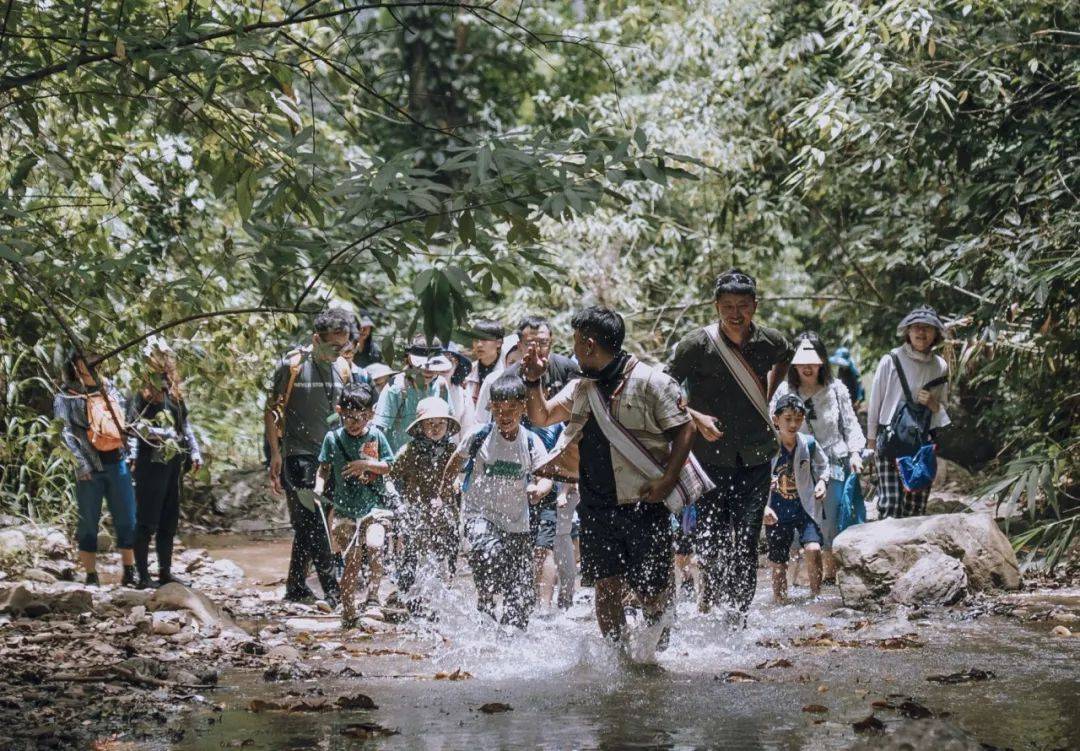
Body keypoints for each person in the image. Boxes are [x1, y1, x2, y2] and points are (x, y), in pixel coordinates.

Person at [523, 306, 697, 644]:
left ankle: (655, 651)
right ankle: (620, 661)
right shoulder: (580, 389)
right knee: (606, 587)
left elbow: (685, 429)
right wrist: (532, 380)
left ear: (589, 345)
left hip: (645, 502)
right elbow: (541, 416)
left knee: (652, 592)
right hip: (597, 505)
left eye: (575, 342)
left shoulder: (651, 381)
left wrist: (667, 482)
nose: (571, 350)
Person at [668, 269, 793, 621]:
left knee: (749, 537)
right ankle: (716, 601)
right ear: (716, 306)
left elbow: (786, 355)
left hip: (755, 455)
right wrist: (695, 417)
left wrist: (766, 394)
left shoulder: (770, 341)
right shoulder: (697, 344)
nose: (735, 314)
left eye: (743, 306)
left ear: (755, 305)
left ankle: (739, 613)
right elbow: (665, 387)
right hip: (710, 458)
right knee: (713, 536)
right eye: (727, 306)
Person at [266, 307, 364, 605]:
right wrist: (274, 454)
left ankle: (295, 587)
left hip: (330, 456)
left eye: (344, 345)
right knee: (316, 520)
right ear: (315, 338)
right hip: (298, 454)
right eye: (333, 345)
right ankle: (332, 590)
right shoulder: (292, 365)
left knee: (308, 523)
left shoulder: (344, 369)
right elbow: (271, 411)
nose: (339, 351)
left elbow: (350, 412)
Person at [442, 374, 550, 629]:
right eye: (499, 410)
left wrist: (538, 489)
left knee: (521, 598)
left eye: (511, 409)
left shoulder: (532, 442)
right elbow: (455, 461)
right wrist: (444, 490)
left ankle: (509, 640)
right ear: (491, 408)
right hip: (480, 514)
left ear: (523, 407)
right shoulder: (479, 435)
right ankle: (487, 602)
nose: (505, 416)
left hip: (517, 524)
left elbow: (546, 478)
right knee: (489, 553)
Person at [771, 333, 866, 582]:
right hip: (795, 464)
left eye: (813, 360)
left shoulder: (836, 390)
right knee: (792, 521)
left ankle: (830, 581)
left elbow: (851, 424)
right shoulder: (785, 390)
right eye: (802, 360)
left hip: (834, 462)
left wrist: (856, 453)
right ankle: (795, 579)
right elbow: (771, 427)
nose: (807, 366)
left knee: (831, 521)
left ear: (822, 360)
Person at [314, 382, 395, 628]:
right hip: (344, 510)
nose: (355, 422)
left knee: (375, 545)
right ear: (340, 412)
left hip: (375, 507)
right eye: (349, 417)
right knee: (352, 559)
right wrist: (318, 487)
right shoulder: (332, 438)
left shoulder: (376, 436)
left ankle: (373, 597)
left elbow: (389, 465)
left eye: (361, 416)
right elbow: (324, 468)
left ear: (370, 414)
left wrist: (365, 465)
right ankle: (348, 609)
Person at [54, 351, 138, 587]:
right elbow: (65, 433)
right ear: (75, 365)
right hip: (90, 467)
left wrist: (132, 453)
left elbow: (126, 422)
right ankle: (91, 576)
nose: (93, 363)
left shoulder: (110, 389)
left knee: (127, 520)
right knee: (88, 522)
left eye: (95, 359)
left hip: (118, 462)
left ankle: (129, 571)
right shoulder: (67, 396)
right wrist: (81, 464)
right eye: (86, 360)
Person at [127, 340, 203, 589]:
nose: (163, 361)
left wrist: (194, 451)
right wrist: (163, 435)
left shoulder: (174, 393)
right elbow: (133, 427)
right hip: (151, 462)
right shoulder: (140, 394)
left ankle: (165, 573)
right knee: (147, 519)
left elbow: (185, 425)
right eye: (158, 356)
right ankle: (142, 575)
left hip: (173, 463)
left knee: (169, 520)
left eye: (166, 357)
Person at [866, 305, 951, 518]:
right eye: (916, 327)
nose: (921, 333)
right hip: (890, 440)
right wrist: (870, 441)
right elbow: (875, 402)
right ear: (908, 331)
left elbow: (943, 410)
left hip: (922, 442)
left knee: (916, 509)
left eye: (927, 328)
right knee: (891, 505)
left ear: (936, 334)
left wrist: (932, 403)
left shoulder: (940, 366)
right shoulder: (891, 360)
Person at [390, 396, 461, 596]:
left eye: (441, 423)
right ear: (420, 426)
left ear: (448, 426)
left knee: (444, 558)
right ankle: (406, 597)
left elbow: (460, 475)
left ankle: (441, 597)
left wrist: (456, 483)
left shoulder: (452, 451)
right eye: (430, 424)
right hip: (416, 515)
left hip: (445, 515)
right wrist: (397, 505)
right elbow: (390, 479)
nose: (436, 428)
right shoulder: (408, 452)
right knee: (411, 557)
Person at [763, 394, 829, 602]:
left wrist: (822, 482)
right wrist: (763, 507)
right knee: (779, 563)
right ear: (776, 419)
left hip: (804, 507)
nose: (793, 424)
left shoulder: (808, 444)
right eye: (788, 418)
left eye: (798, 419)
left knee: (813, 548)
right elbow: (753, 478)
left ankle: (816, 595)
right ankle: (780, 601)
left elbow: (824, 465)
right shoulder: (767, 447)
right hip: (776, 510)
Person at [373, 336, 454, 454]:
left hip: (430, 459)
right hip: (397, 460)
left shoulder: (441, 386)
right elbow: (378, 431)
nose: (429, 371)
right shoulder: (396, 388)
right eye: (423, 366)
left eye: (433, 366)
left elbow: (448, 426)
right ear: (410, 361)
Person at [462, 319, 505, 409]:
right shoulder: (467, 372)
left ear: (499, 342)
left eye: (484, 339)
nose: (479, 345)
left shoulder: (507, 370)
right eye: (476, 340)